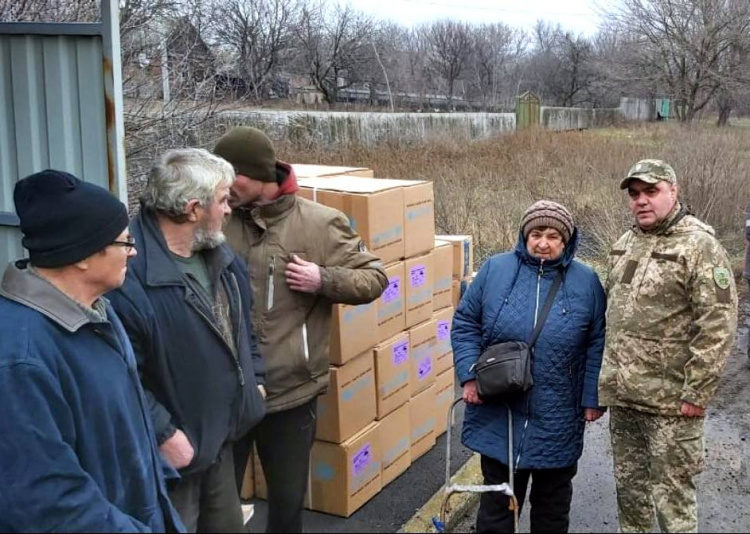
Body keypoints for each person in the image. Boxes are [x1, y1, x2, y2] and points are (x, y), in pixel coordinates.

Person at [213, 126, 388, 533]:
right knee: (217, 510)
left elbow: (375, 277)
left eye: (228, 175)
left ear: (259, 173)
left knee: (287, 507)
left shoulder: (320, 223)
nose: (220, 185)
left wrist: (323, 279)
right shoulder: (215, 220)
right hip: (226, 392)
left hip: (290, 393)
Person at [0, 170, 183, 532]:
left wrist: (157, 485)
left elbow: (120, 418)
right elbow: (46, 501)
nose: (134, 252)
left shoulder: (99, 311)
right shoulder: (19, 357)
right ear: (83, 255)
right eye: (125, 242)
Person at [107, 149, 266, 533]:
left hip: (219, 444)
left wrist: (257, 382)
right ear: (194, 208)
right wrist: (165, 434)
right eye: (224, 200)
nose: (230, 210)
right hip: (172, 464)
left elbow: (246, 328)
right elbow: (118, 375)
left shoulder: (220, 257)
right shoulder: (128, 277)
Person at [599, 159, 738, 533]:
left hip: (672, 406)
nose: (641, 201)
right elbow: (611, 314)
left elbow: (718, 325)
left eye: (651, 192)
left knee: (673, 505)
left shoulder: (699, 246)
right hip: (626, 399)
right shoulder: (625, 243)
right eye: (635, 194)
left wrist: (697, 391)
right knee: (631, 499)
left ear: (673, 192)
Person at [452, 200, 606, 533]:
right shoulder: (495, 270)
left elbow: (598, 342)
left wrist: (592, 396)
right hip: (501, 411)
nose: (543, 243)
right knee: (497, 506)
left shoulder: (587, 281)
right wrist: (469, 375)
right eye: (536, 233)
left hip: (558, 415)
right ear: (525, 235)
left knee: (551, 509)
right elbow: (465, 323)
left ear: (566, 241)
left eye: (553, 235)